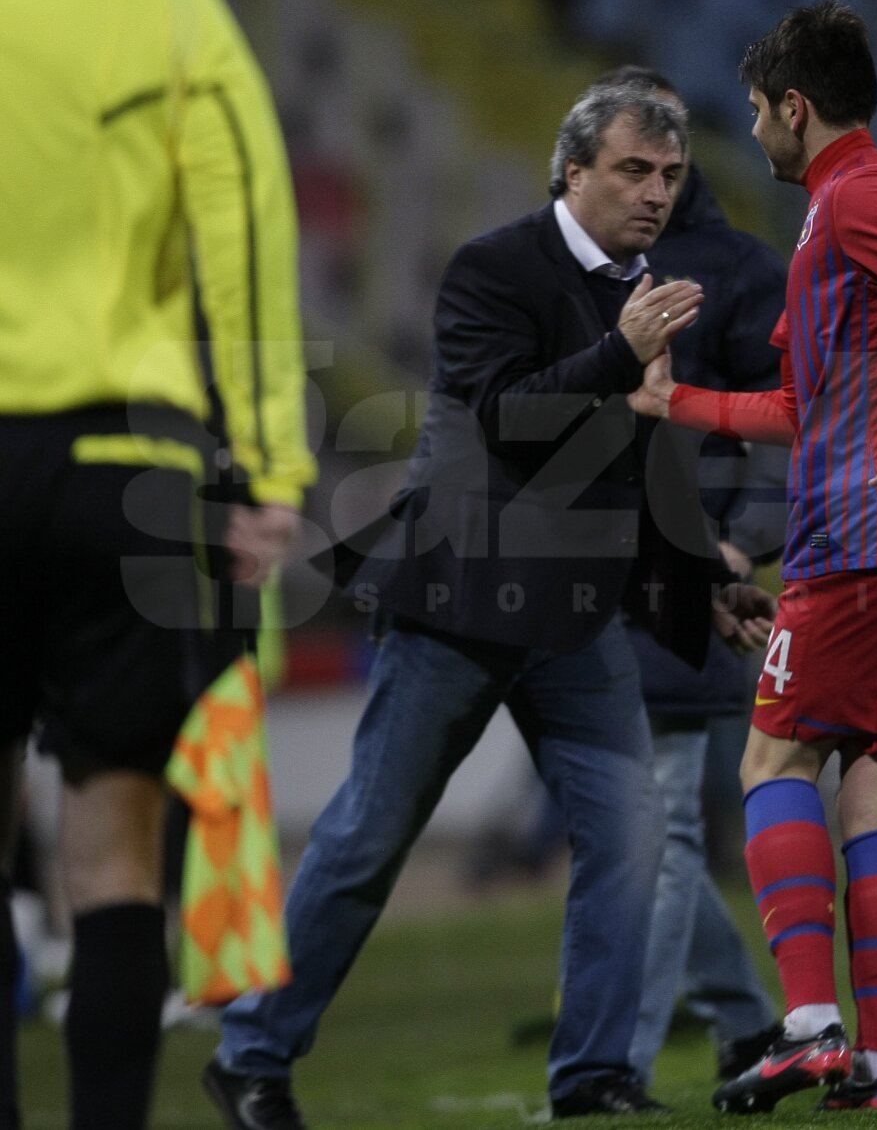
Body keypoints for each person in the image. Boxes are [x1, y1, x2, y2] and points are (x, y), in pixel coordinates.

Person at [204, 80, 775, 1128]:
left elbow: (639, 462)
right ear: (574, 171)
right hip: (458, 601)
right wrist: (620, 352)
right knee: (369, 839)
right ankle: (252, 1053)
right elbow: (506, 416)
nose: (656, 193)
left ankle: (593, 1075)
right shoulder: (495, 267)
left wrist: (705, 578)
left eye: (669, 175)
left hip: (577, 619)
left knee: (633, 839)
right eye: (633, 171)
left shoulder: (645, 291)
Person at [629, 0, 877, 1114]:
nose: (754, 130)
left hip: (871, 539)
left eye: (758, 111)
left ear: (795, 107)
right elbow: (804, 407)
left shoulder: (858, 194)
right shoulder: (837, 219)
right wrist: (674, 400)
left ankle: (808, 1026)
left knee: (772, 765)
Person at [0, 0, 315, 1128]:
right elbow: (245, 242)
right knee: (116, 850)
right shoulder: (168, 8)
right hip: (117, 470)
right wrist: (267, 462)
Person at [591, 66, 787, 1087]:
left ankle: (614, 1066)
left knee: (658, 821)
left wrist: (741, 544)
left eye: (657, 154)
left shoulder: (740, 270)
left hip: (685, 575)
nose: (646, 178)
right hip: (578, 580)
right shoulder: (555, 263)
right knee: (629, 826)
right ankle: (747, 1016)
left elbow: (789, 426)